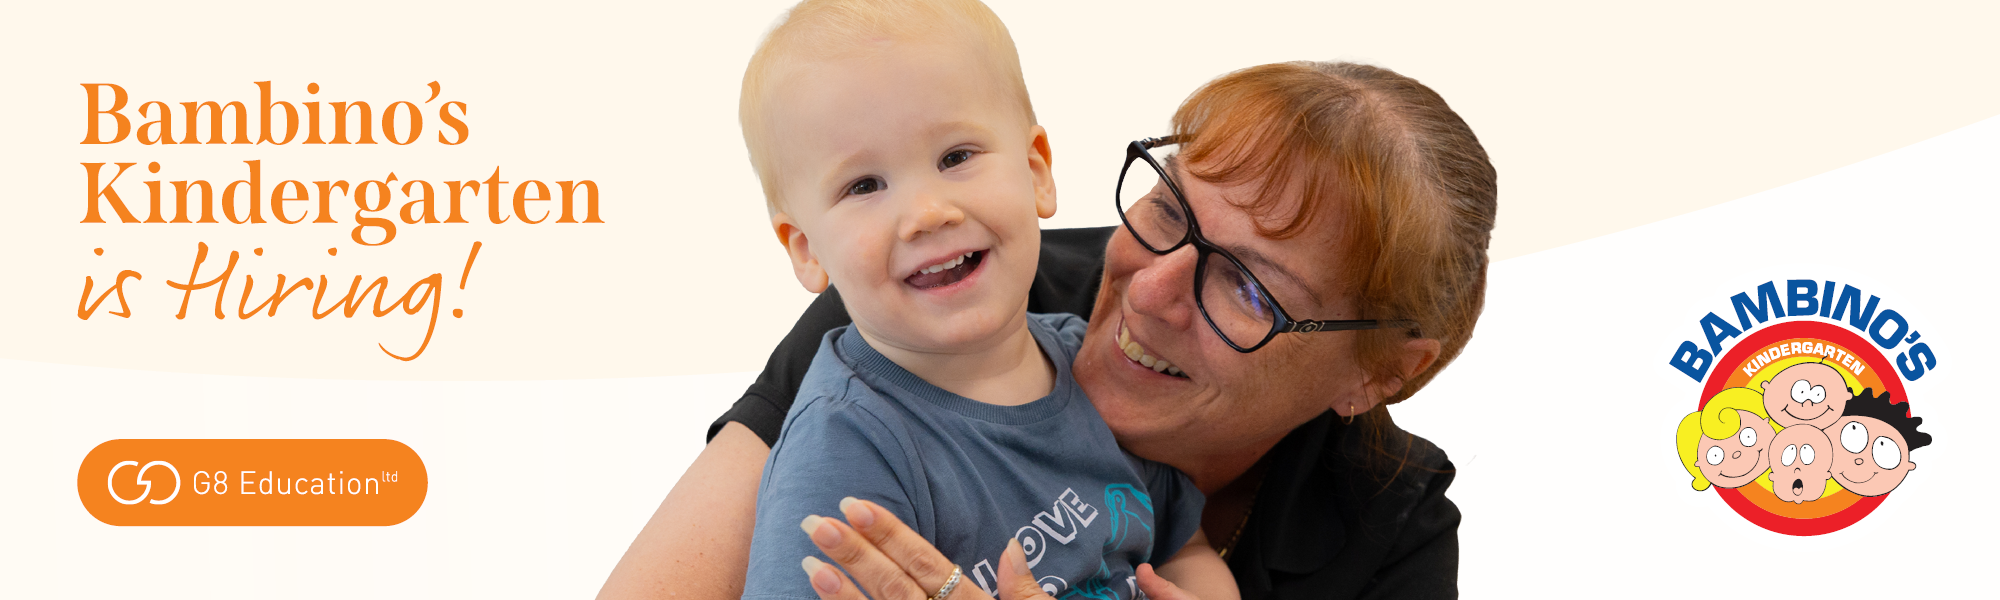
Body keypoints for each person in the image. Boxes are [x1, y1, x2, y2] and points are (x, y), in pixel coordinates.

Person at [602, 60, 1497, 600]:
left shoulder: (1392, 526)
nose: (1150, 289)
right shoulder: (936, 303)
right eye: (1169, 208)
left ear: (1378, 374)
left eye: (1250, 286)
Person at [726, 0, 1232, 598]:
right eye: (864, 185)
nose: (927, 213)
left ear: (1036, 170)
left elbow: (1184, 547)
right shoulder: (842, 451)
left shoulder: (1090, 364)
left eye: (956, 157)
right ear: (806, 249)